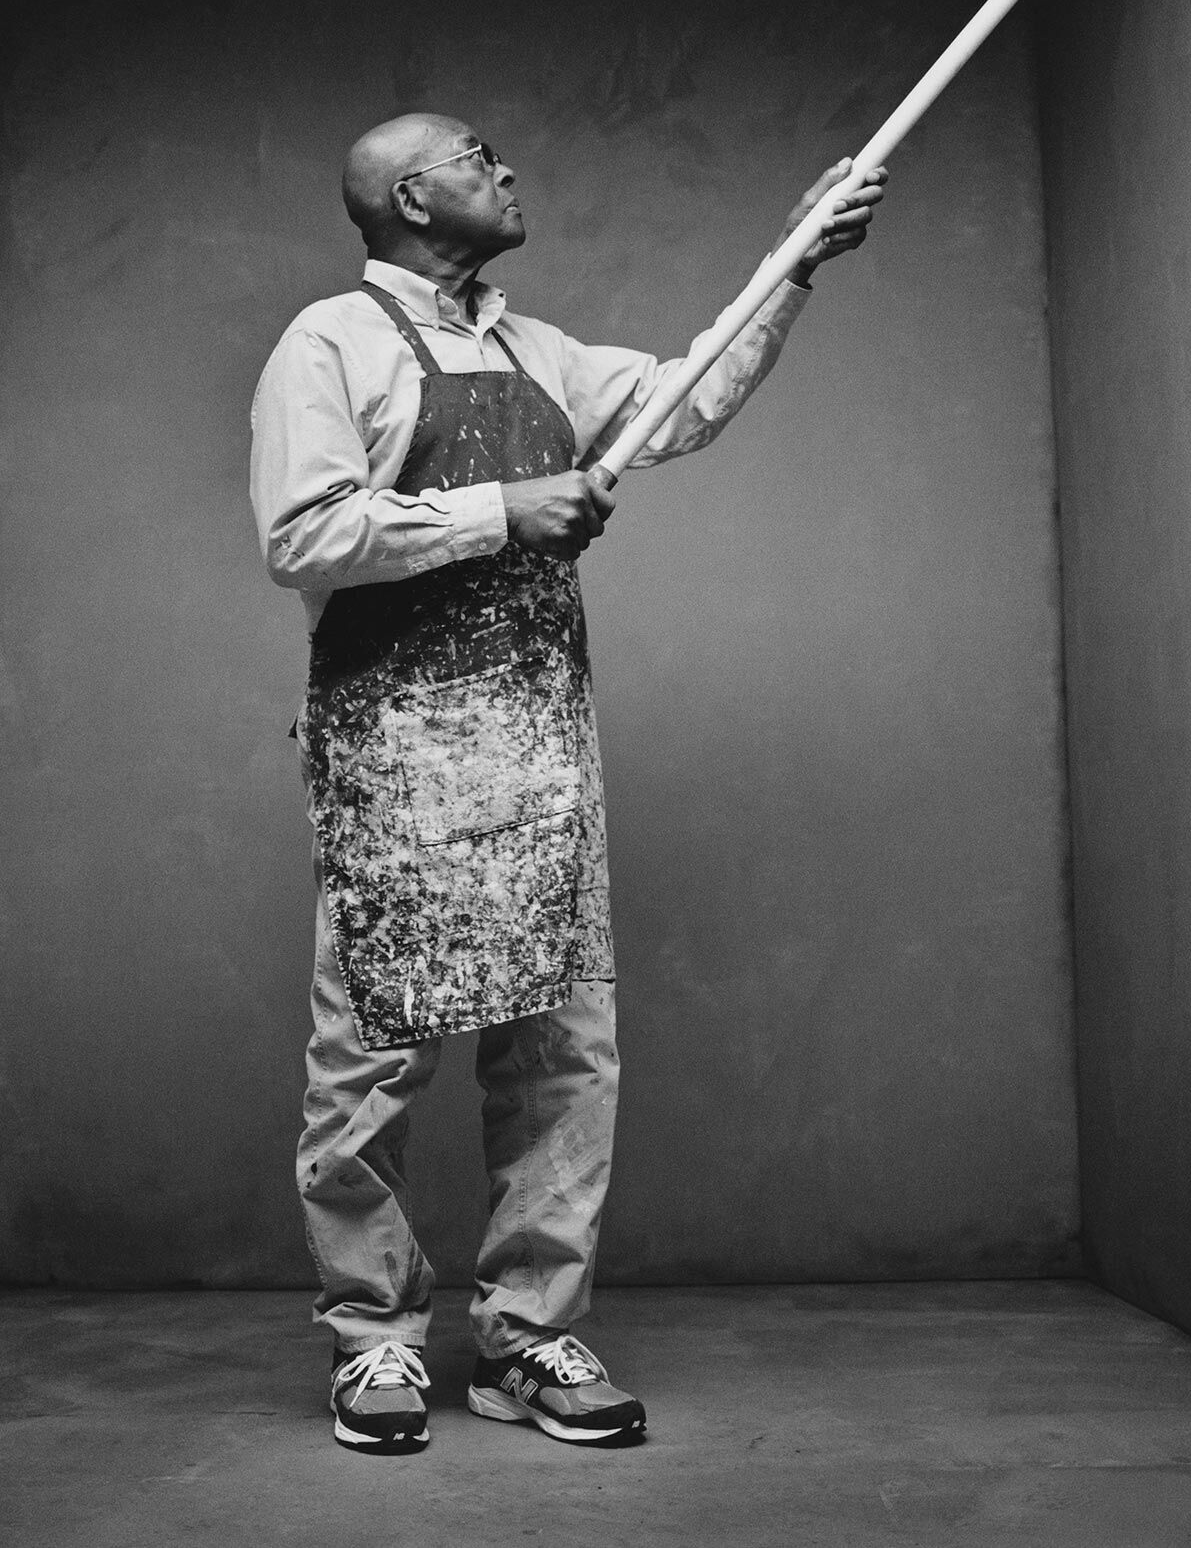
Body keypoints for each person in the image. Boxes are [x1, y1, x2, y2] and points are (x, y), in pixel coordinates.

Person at [250, 112, 885, 1453]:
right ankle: (372, 1341)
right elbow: (302, 532)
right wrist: (503, 509)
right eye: (475, 156)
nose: (507, 167)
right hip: (395, 755)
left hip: (543, 752)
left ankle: (528, 1338)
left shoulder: (540, 352)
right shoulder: (331, 345)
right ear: (411, 195)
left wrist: (795, 259)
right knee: (368, 1063)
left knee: (561, 1058)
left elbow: (688, 397)